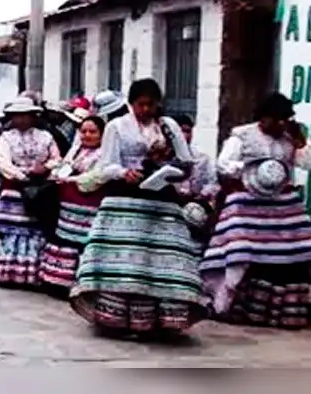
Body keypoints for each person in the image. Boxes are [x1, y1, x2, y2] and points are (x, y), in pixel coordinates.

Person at [70, 78, 205, 339]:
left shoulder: (169, 126)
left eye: (151, 105)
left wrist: (171, 169)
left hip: (161, 197)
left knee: (160, 258)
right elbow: (106, 165)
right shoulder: (116, 127)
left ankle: (162, 318)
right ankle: (115, 316)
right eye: (141, 104)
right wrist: (124, 172)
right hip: (125, 196)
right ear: (131, 104)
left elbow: (187, 161)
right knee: (124, 258)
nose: (146, 110)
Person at [201, 93, 311, 329]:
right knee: (241, 249)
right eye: (277, 120)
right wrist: (249, 168)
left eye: (285, 120)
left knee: (303, 244)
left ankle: (291, 305)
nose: (281, 124)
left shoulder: (290, 139)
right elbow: (223, 164)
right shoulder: (242, 136)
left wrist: (301, 143)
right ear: (264, 118)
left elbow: (307, 163)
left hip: (281, 201)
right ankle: (225, 301)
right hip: (246, 199)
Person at [0, 96, 60, 287]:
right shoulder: (7, 137)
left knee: (35, 231)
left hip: (39, 191)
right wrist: (24, 175)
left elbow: (57, 159)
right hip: (14, 190)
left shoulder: (46, 137)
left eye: (25, 115)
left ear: (33, 116)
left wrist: (45, 167)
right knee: (8, 231)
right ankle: (5, 271)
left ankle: (31, 273)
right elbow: (4, 163)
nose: (21, 119)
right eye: (17, 116)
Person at [37, 115, 106, 297]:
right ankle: (57, 281)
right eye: (83, 131)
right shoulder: (76, 150)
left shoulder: (104, 154)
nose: (87, 135)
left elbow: (97, 177)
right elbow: (63, 166)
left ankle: (79, 283)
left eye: (92, 132)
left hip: (88, 205)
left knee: (80, 243)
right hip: (67, 205)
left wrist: (70, 180)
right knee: (64, 239)